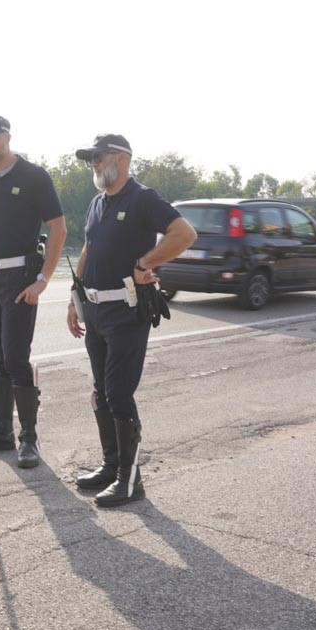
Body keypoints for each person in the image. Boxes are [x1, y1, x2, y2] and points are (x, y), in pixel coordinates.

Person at [66, 134, 196, 507]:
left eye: (99, 157)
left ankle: (130, 479)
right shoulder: (97, 203)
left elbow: (184, 234)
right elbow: (88, 249)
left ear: (122, 159)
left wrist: (145, 263)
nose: (93, 163)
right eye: (90, 158)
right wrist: (74, 299)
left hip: (126, 309)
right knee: (101, 393)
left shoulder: (142, 199)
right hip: (95, 309)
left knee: (119, 394)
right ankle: (111, 467)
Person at [0, 114, 67, 468]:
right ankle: (1, 431)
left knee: (16, 358)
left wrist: (43, 279)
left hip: (20, 278)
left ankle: (29, 439)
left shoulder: (34, 176)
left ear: (7, 137)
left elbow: (58, 228)